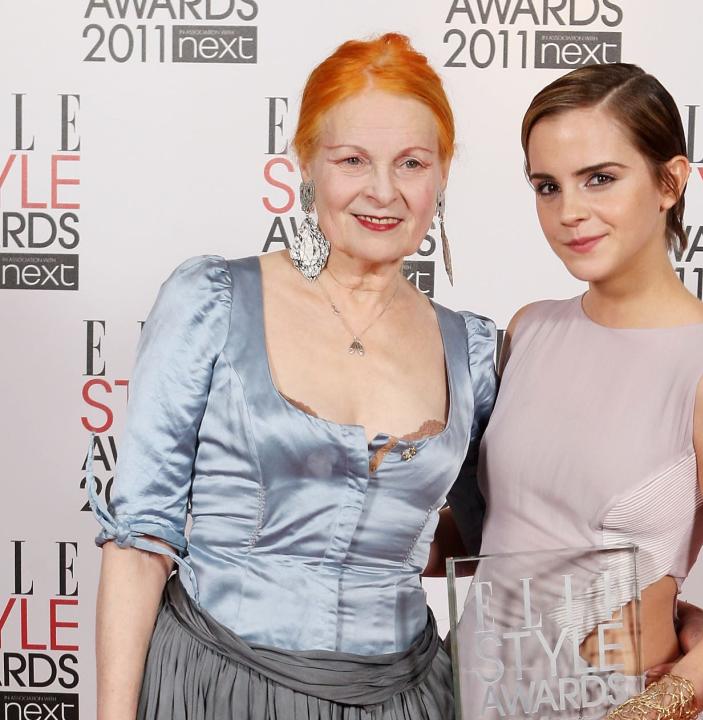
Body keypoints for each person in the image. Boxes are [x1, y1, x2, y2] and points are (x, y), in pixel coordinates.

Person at [88, 33, 497, 720]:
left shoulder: (475, 350)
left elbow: (513, 545)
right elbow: (140, 542)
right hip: (214, 685)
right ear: (306, 164)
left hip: (408, 698)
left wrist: (671, 610)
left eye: (412, 163)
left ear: (443, 173)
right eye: (352, 160)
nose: (383, 191)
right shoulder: (212, 302)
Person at [477, 63, 703, 720]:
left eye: (600, 178)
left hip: (608, 706)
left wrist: (652, 710)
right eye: (547, 186)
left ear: (670, 182)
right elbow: (507, 532)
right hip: (475, 688)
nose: (570, 212)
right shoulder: (530, 330)